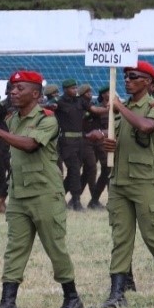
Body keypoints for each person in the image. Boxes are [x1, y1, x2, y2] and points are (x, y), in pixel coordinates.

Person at [0, 69, 83, 308]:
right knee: (15, 249)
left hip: (45, 193)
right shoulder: (13, 119)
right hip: (19, 194)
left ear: (35, 93)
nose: (13, 91)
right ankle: (7, 304)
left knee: (55, 247)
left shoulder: (47, 119)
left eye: (20, 88)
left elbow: (30, 145)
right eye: (12, 88)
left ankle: (72, 298)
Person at [88, 60, 154, 308]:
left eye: (133, 76)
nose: (127, 80)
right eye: (125, 77)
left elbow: (146, 127)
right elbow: (117, 135)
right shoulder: (123, 109)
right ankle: (117, 294)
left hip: (144, 180)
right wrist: (105, 140)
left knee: (153, 234)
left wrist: (119, 107)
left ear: (147, 81)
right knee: (121, 237)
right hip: (120, 180)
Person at [55, 79, 90, 210]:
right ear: (65, 89)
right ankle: (76, 201)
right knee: (74, 169)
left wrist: (108, 109)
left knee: (75, 171)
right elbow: (47, 107)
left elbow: (94, 109)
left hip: (80, 142)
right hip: (67, 142)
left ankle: (59, 197)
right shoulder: (59, 102)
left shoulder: (80, 101)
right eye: (72, 88)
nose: (75, 90)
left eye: (76, 88)